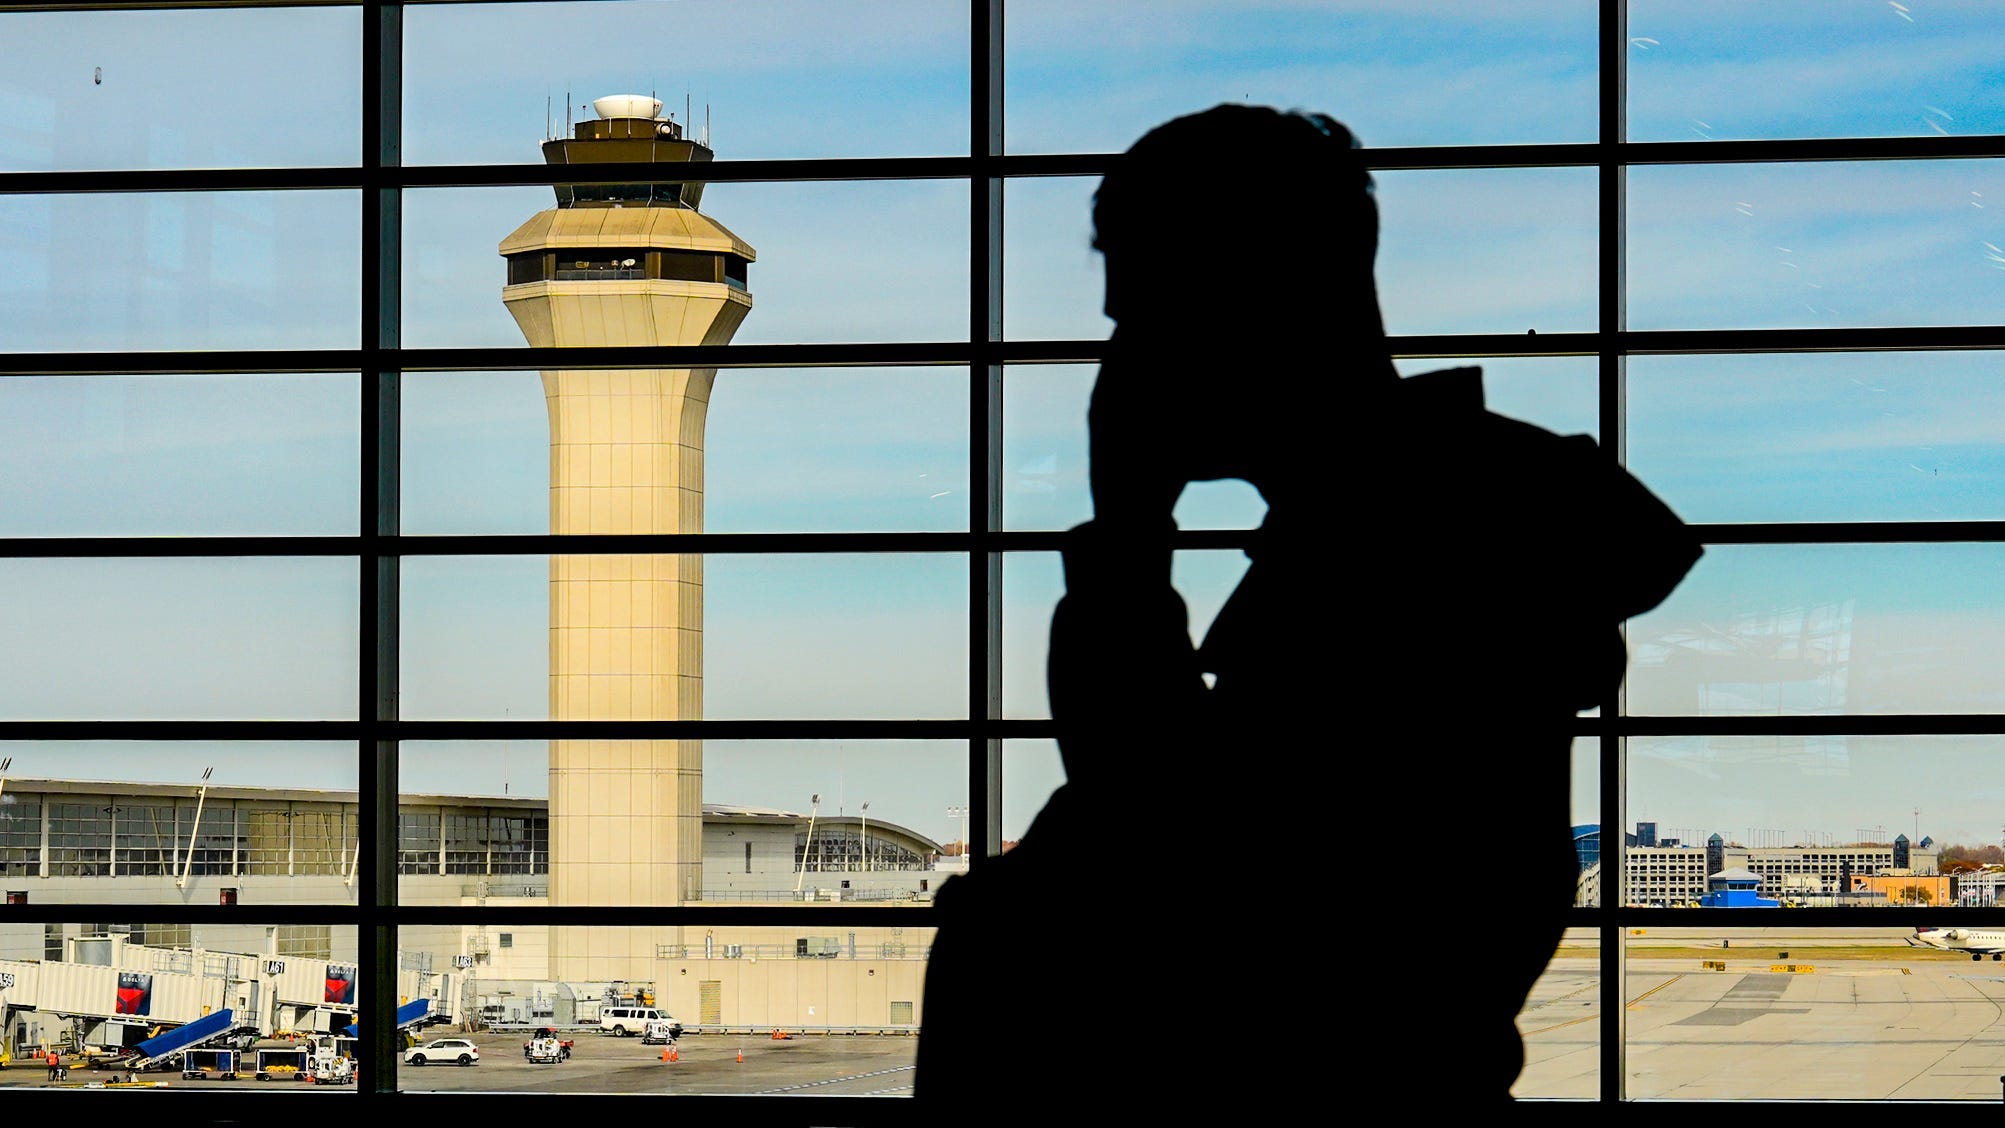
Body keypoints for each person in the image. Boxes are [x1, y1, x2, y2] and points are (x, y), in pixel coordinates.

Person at [914, 104, 1702, 1108]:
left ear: (1251, 298)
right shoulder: (1453, 522)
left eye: (1141, 305)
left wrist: (1127, 537)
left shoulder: (1411, 554)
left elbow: (1158, 837)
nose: (1119, 352)